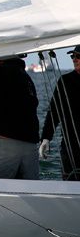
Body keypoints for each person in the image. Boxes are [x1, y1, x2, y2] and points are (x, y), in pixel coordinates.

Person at [40, 46, 80, 181]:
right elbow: (54, 111)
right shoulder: (66, 81)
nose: (74, 59)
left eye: (78, 56)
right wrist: (46, 138)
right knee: (70, 182)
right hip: (70, 146)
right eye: (72, 56)